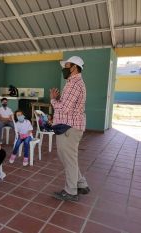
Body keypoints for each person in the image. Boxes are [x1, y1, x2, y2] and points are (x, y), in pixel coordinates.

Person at [50, 56, 90, 201]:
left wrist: (53, 99)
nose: (64, 68)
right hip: (70, 126)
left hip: (69, 128)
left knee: (69, 159)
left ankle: (71, 191)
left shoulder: (74, 84)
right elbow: (67, 106)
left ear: (74, 67)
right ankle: (81, 184)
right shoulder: (73, 82)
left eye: (66, 65)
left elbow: (65, 109)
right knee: (68, 158)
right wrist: (59, 100)